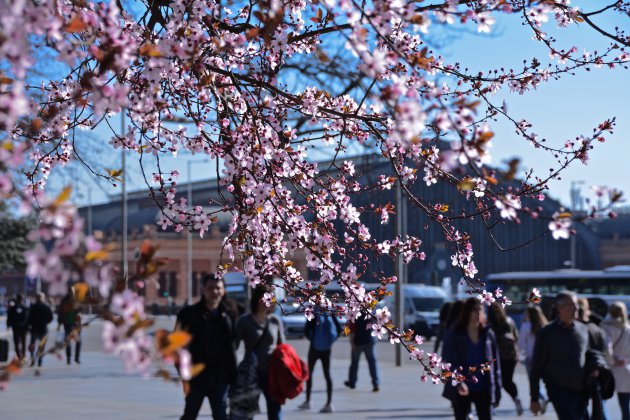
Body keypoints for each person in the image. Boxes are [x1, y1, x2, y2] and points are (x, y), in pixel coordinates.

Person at [175, 274, 237, 420]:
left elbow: (234, 342)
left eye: (218, 288)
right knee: (190, 414)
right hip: (196, 377)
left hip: (220, 377)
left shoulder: (230, 314)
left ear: (223, 291)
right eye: (210, 288)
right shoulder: (188, 314)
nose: (214, 292)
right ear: (203, 289)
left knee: (221, 416)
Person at [530, 290, 590, 419]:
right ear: (559, 308)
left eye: (576, 305)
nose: (576, 308)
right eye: (571, 305)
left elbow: (590, 355)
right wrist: (534, 399)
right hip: (558, 389)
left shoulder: (583, 329)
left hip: (581, 390)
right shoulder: (547, 333)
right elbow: (536, 367)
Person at [442, 297, 502, 420]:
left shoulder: (488, 334)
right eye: (474, 310)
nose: (478, 313)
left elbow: (496, 364)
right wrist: (458, 381)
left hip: (484, 387)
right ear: (467, 312)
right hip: (463, 386)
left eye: (481, 310)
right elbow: (449, 360)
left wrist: (497, 389)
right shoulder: (457, 333)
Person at [235, 285, 285, 420]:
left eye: (269, 299)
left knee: (274, 411)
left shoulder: (275, 321)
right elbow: (233, 346)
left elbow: (283, 349)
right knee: (247, 412)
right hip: (251, 374)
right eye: (262, 299)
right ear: (256, 299)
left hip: (272, 373)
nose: (265, 302)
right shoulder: (244, 321)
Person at [298, 307, 342, 413]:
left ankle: (308, 401)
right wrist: (330, 341)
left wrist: (313, 340)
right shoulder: (330, 311)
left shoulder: (312, 311)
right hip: (327, 348)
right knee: (327, 375)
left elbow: (306, 330)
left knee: (309, 373)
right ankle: (329, 403)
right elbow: (339, 329)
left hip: (314, 347)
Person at [488, 302, 523, 415]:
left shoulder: (490, 324)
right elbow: (516, 337)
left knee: (496, 380)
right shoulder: (510, 321)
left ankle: (493, 403)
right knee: (508, 380)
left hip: (495, 357)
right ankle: (516, 397)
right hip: (510, 356)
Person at [578, 297, 611, 420]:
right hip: (595, 373)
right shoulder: (596, 327)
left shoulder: (576, 328)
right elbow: (604, 351)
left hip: (580, 374)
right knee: (599, 406)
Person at [601, 301, 630, 420]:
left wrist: (613, 361)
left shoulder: (607, 327)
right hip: (626, 369)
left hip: (610, 369)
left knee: (601, 401)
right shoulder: (628, 328)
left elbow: (607, 349)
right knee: (625, 405)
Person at [518, 305, 549, 412]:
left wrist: (523, 353)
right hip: (545, 358)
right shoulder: (545, 326)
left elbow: (521, 344)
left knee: (533, 382)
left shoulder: (526, 326)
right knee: (544, 380)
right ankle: (545, 396)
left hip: (531, 358)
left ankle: (543, 397)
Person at [344, 311, 380, 392]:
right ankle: (376, 383)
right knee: (372, 362)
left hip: (358, 341)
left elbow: (351, 328)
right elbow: (377, 324)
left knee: (355, 362)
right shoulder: (371, 312)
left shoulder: (354, 312)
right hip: (369, 341)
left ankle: (352, 382)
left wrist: (352, 342)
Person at [27, 292, 53, 367]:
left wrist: (29, 326)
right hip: (43, 329)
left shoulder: (33, 307)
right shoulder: (46, 306)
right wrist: (45, 322)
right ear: (43, 298)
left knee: (32, 345)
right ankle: (40, 361)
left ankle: (32, 359)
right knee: (41, 346)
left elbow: (29, 318)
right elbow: (51, 317)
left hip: (34, 329)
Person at [58, 286, 82, 365]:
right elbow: (60, 313)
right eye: (70, 291)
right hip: (67, 323)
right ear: (68, 292)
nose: (72, 293)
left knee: (78, 341)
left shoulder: (76, 300)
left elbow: (81, 309)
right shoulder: (64, 301)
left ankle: (77, 358)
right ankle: (68, 358)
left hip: (75, 325)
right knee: (68, 341)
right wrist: (59, 323)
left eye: (73, 292)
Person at [6, 294, 28, 360]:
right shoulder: (25, 308)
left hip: (16, 327)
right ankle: (23, 355)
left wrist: (8, 325)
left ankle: (19, 356)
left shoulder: (13, 308)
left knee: (17, 342)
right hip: (23, 328)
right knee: (23, 342)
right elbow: (27, 318)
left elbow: (9, 317)